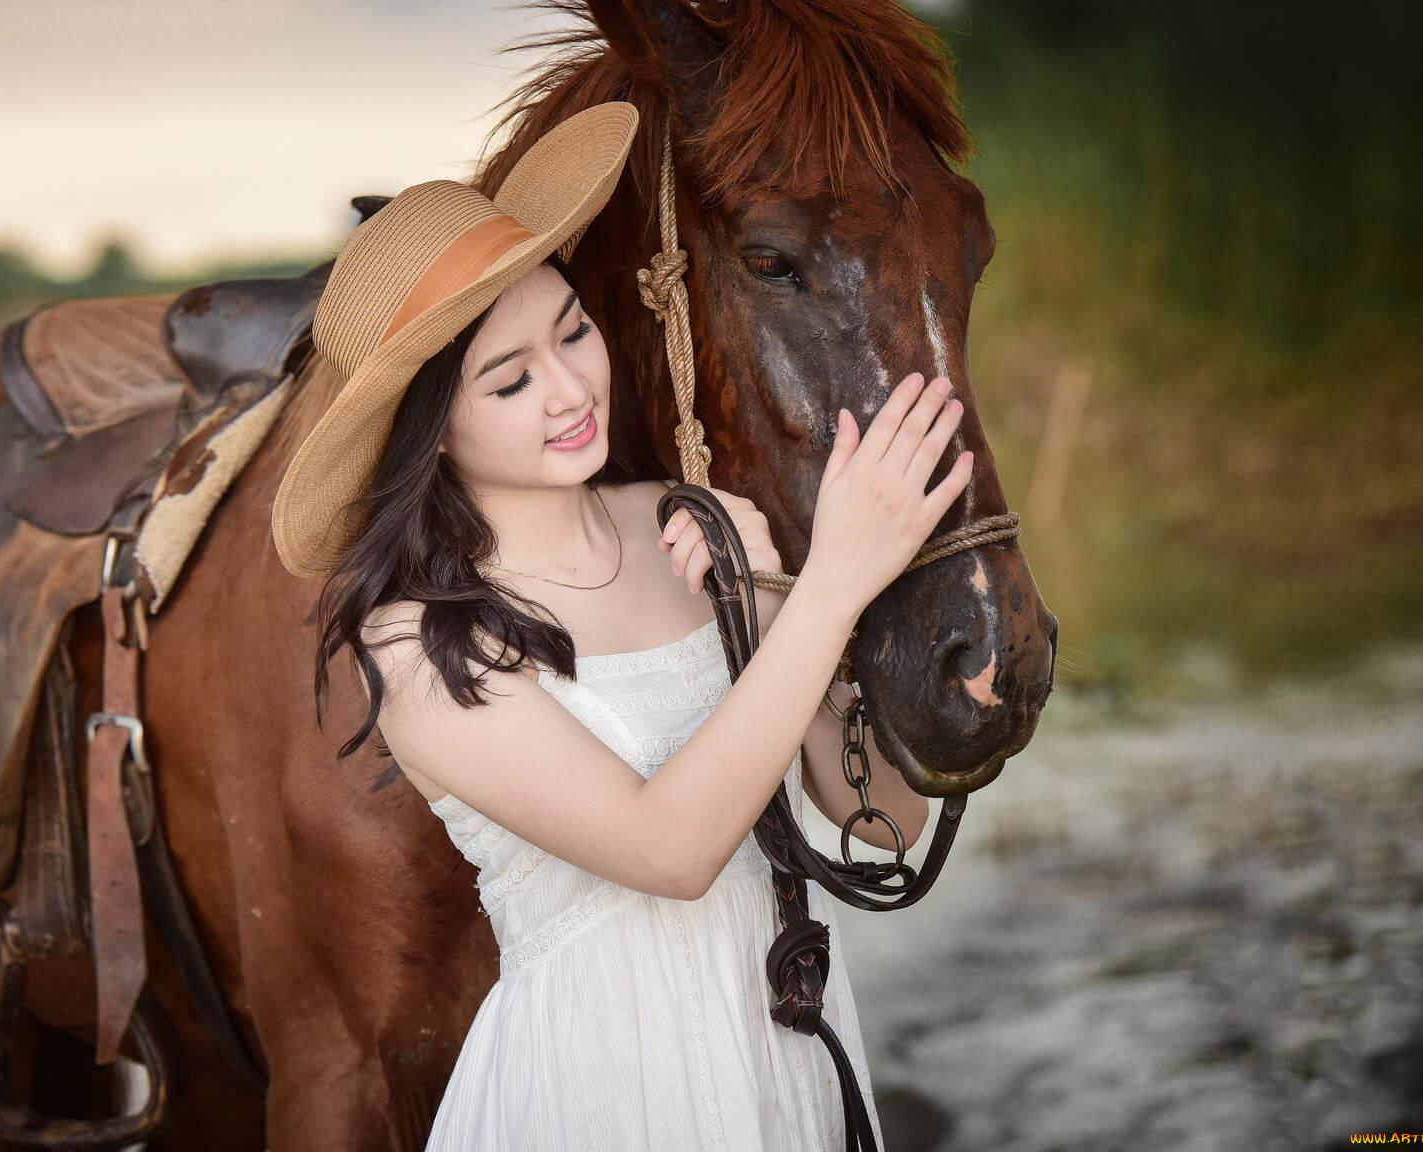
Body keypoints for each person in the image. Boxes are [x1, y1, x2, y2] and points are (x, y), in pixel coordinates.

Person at [271, 101, 970, 1152]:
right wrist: (831, 582)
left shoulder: (684, 523)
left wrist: (774, 589)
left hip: (779, 1043)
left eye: (572, 333)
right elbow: (669, 849)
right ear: (431, 427)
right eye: (509, 381)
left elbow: (883, 825)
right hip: (601, 1079)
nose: (569, 389)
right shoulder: (422, 645)